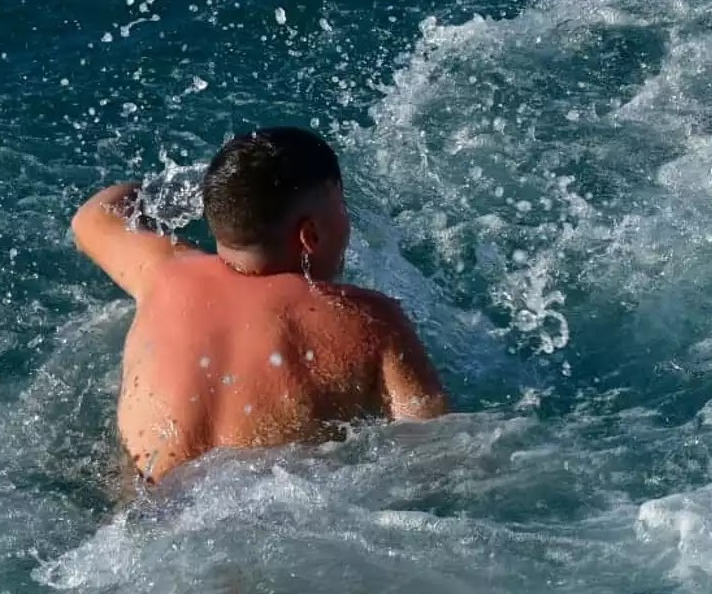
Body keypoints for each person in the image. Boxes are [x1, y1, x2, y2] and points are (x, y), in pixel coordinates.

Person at [71, 127, 447, 483]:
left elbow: (96, 213)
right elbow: (435, 453)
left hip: (140, 524)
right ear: (310, 235)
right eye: (342, 205)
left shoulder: (160, 273)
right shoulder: (371, 321)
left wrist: (209, 190)